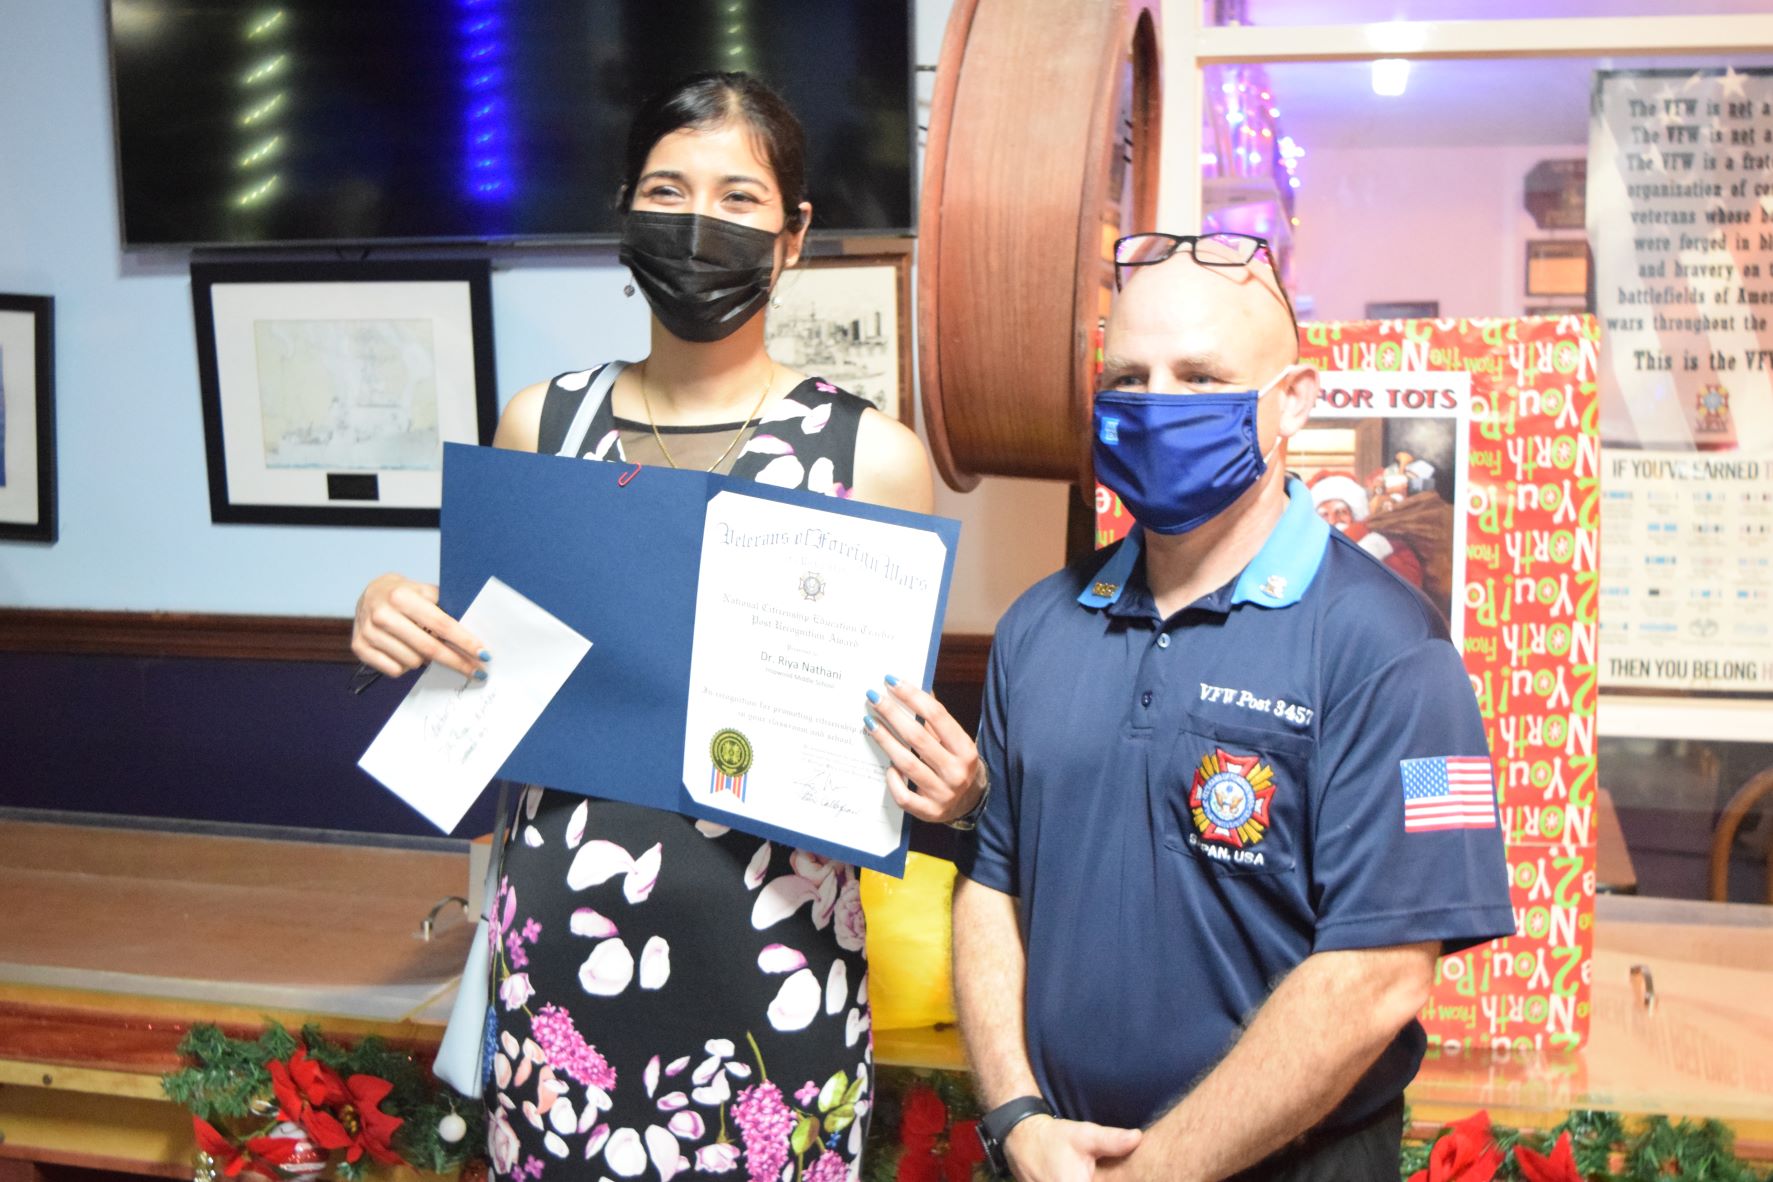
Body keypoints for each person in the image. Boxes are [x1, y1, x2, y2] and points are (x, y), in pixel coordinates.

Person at [350, 73, 984, 1181]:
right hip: (562, 956)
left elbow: (880, 743)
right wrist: (397, 621)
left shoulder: (874, 460)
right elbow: (485, 680)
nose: (699, 223)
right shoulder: (541, 424)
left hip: (775, 962)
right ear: (626, 216)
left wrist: (950, 786)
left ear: (793, 237)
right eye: (666, 190)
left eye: (739, 198)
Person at [951, 231, 1513, 1182]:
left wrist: (1151, 1173)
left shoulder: (1393, 652)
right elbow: (990, 886)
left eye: (1200, 377)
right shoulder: (1037, 628)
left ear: (1291, 400)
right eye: (1128, 378)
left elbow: (1379, 973)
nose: (1155, 404)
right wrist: (1016, 1117)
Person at [1308, 470, 1424, 588]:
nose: (1333, 521)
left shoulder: (1386, 541)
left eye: (1341, 512)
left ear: (1354, 514)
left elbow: (1410, 581)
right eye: (1324, 515)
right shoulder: (1310, 549)